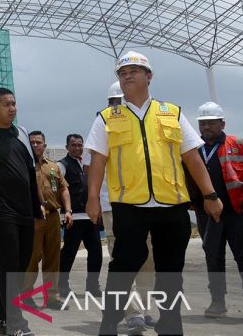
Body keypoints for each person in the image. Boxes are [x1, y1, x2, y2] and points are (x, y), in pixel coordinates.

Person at [85, 50, 223, 336]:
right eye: (122, 73)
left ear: (149, 76)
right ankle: (109, 323)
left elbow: (192, 158)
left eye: (133, 71)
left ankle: (171, 325)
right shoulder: (108, 118)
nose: (127, 76)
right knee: (123, 267)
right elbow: (97, 161)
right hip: (129, 206)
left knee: (170, 270)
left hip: (171, 205)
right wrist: (92, 200)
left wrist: (210, 196)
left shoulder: (172, 113)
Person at [191, 101, 243, 322]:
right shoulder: (193, 149)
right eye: (202, 123)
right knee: (213, 257)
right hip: (207, 215)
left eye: (211, 123)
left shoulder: (238, 144)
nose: (206, 128)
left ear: (222, 123)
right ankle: (218, 303)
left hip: (236, 211)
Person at [98, 82, 156, 334]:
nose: (121, 105)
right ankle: (132, 312)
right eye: (116, 102)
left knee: (148, 260)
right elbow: (94, 170)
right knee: (124, 260)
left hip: (147, 206)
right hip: (115, 207)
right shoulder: (101, 126)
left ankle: (140, 309)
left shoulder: (145, 125)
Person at [0, 88, 42, 336]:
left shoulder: (22, 133)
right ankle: (16, 324)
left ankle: (1, 316)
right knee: (8, 265)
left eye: (14, 104)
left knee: (20, 266)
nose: (12, 109)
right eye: (6, 104)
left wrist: (37, 208)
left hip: (25, 211)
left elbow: (30, 172)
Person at [24, 130, 71, 310]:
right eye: (32, 143)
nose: (35, 145)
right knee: (32, 257)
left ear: (45, 145)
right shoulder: (26, 166)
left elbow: (63, 189)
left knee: (53, 257)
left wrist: (68, 210)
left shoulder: (53, 166)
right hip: (33, 218)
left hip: (53, 216)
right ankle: (26, 294)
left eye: (38, 142)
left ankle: (52, 297)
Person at [57, 133, 102, 297]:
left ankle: (92, 286)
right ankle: (61, 285)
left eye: (79, 145)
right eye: (73, 145)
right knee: (69, 252)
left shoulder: (88, 164)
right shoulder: (62, 165)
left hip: (91, 216)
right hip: (73, 217)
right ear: (67, 147)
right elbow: (60, 189)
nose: (77, 148)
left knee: (96, 252)